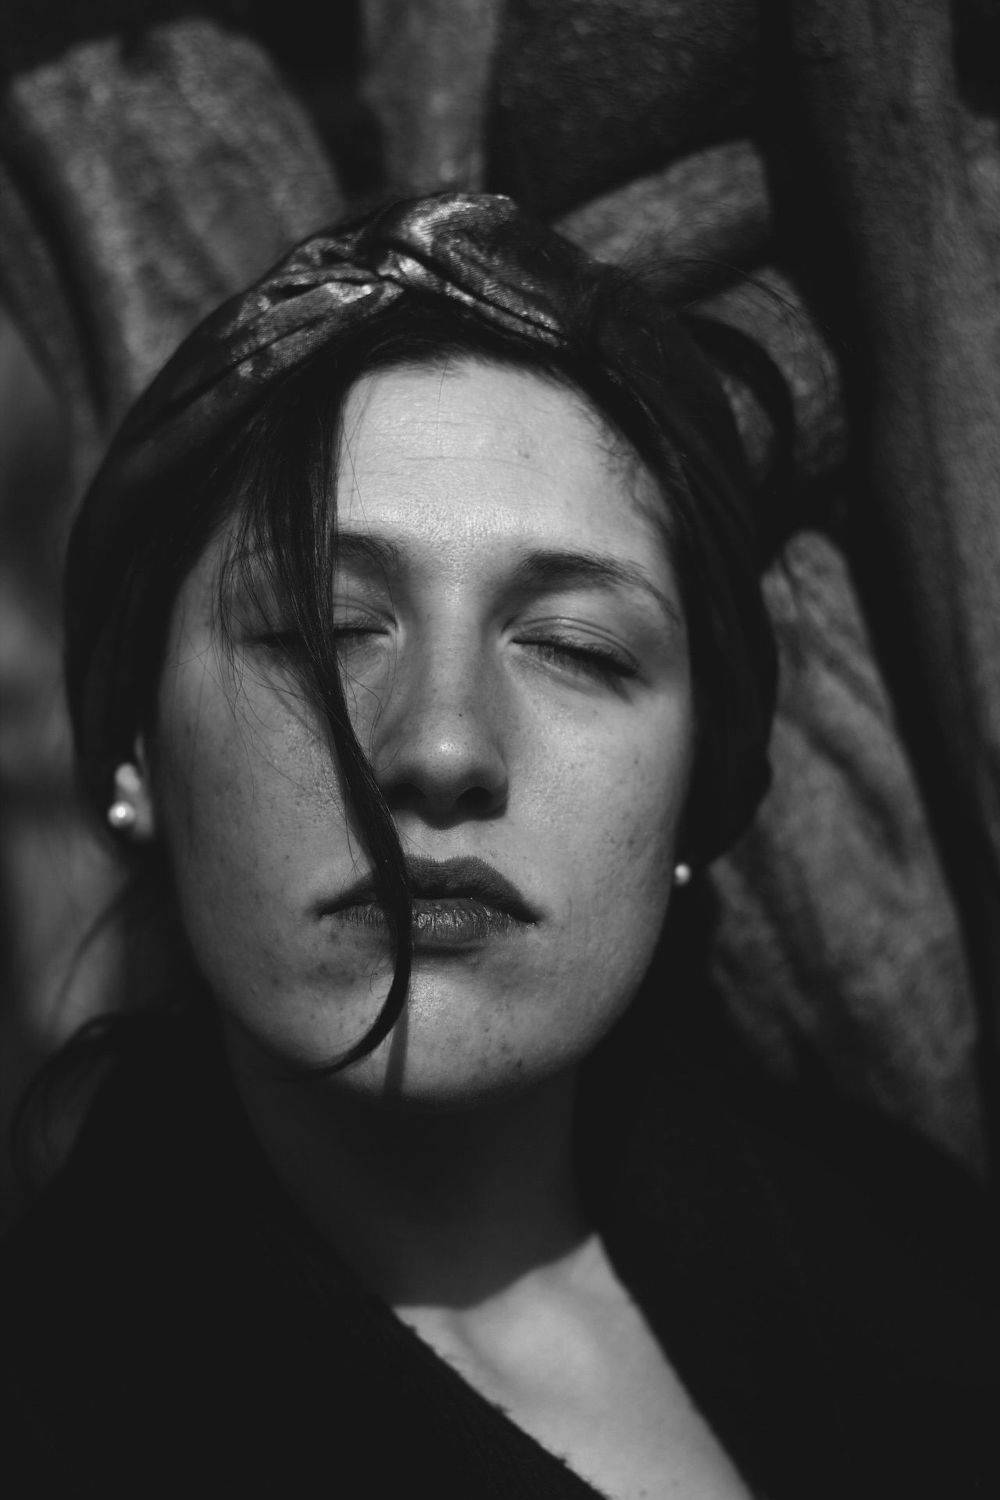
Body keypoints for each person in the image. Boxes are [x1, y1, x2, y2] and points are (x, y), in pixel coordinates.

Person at [0, 194, 991, 1499]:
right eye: (318, 631)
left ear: (699, 784)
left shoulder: (926, 1272)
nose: (443, 743)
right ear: (137, 749)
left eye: (576, 648)